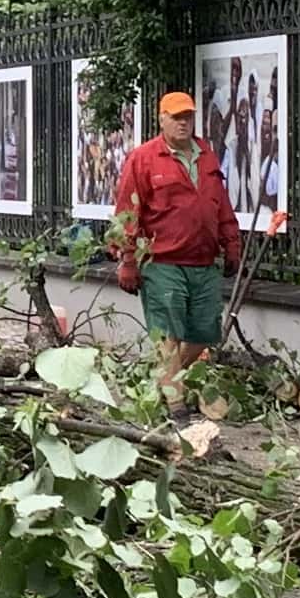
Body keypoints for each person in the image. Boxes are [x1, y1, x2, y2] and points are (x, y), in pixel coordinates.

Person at [111, 87, 242, 401]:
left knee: (203, 333)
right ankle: (176, 407)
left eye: (188, 116)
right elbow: (127, 212)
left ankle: (160, 389)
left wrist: (232, 241)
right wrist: (127, 258)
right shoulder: (143, 159)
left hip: (203, 260)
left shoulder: (206, 154)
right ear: (162, 119)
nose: (183, 123)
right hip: (162, 260)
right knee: (168, 336)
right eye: (177, 117)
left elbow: (219, 202)